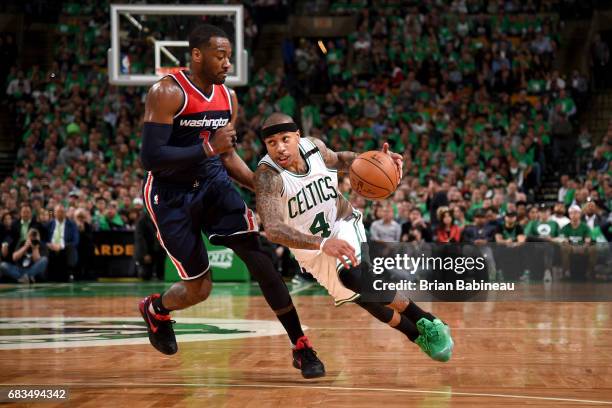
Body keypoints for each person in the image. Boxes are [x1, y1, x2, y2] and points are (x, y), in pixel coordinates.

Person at [138, 25, 323, 378]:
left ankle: (301, 346)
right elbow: (151, 157)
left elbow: (226, 156)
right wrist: (208, 147)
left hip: (213, 183)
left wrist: (264, 188)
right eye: (220, 55)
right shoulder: (167, 92)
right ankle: (156, 309)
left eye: (229, 56)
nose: (227, 62)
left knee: (261, 259)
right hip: (171, 195)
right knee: (199, 289)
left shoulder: (228, 97)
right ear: (197, 55)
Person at [254, 112, 454, 363]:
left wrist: (381, 161)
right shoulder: (267, 176)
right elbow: (273, 229)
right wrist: (323, 244)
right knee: (367, 300)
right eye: (272, 143)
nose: (280, 148)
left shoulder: (314, 148)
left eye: (285, 139)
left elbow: (340, 160)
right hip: (312, 249)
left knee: (353, 276)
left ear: (297, 136)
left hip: (341, 222)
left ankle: (428, 320)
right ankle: (417, 335)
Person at [46, 204, 79, 282]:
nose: (60, 213)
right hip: (51, 247)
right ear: (54, 213)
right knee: (44, 248)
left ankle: (70, 274)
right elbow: (43, 239)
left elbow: (76, 241)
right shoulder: (49, 224)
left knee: (71, 248)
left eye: (62, 212)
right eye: (58, 212)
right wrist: (48, 245)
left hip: (65, 247)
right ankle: (45, 275)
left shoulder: (72, 224)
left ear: (65, 213)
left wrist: (61, 246)